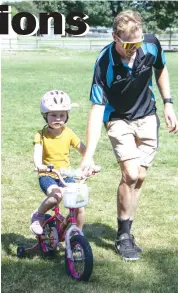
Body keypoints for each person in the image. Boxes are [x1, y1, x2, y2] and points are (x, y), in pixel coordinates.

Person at [80, 10, 178, 261]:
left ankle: (127, 232)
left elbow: (161, 68)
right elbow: (96, 109)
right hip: (117, 118)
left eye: (137, 42)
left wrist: (168, 103)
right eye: (128, 44)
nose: (134, 48)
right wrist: (88, 156)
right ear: (115, 37)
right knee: (130, 174)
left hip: (147, 115)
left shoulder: (151, 45)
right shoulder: (105, 62)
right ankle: (123, 236)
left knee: (140, 177)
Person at [30, 90, 87, 235]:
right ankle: (38, 215)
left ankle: (77, 234)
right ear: (45, 116)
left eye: (62, 115)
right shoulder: (41, 135)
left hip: (65, 174)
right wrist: (39, 165)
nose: (58, 118)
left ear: (67, 116)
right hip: (48, 175)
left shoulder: (69, 133)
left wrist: (89, 163)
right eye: (53, 115)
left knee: (79, 204)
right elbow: (37, 152)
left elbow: (83, 150)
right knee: (56, 196)